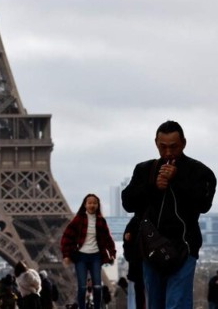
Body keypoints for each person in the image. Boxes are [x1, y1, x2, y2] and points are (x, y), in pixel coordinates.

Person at [122, 120, 216, 309]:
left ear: (183, 143)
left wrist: (178, 179)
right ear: (156, 143)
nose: (168, 152)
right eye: (162, 147)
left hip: (184, 247)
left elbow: (204, 204)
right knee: (155, 304)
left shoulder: (200, 172)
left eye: (173, 147)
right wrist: (153, 186)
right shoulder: (144, 170)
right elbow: (128, 202)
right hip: (151, 248)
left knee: (177, 304)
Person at [60, 193, 116, 309]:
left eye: (94, 203)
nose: (92, 205)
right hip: (81, 256)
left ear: (98, 205)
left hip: (96, 256)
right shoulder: (78, 220)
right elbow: (67, 236)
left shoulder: (101, 221)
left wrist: (112, 253)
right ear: (85, 205)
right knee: (82, 287)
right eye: (89, 203)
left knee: (97, 286)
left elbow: (108, 238)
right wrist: (66, 254)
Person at [122, 216, 145, 309]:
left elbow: (127, 248)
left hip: (137, 266)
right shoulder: (134, 222)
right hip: (140, 265)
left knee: (140, 296)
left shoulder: (134, 222)